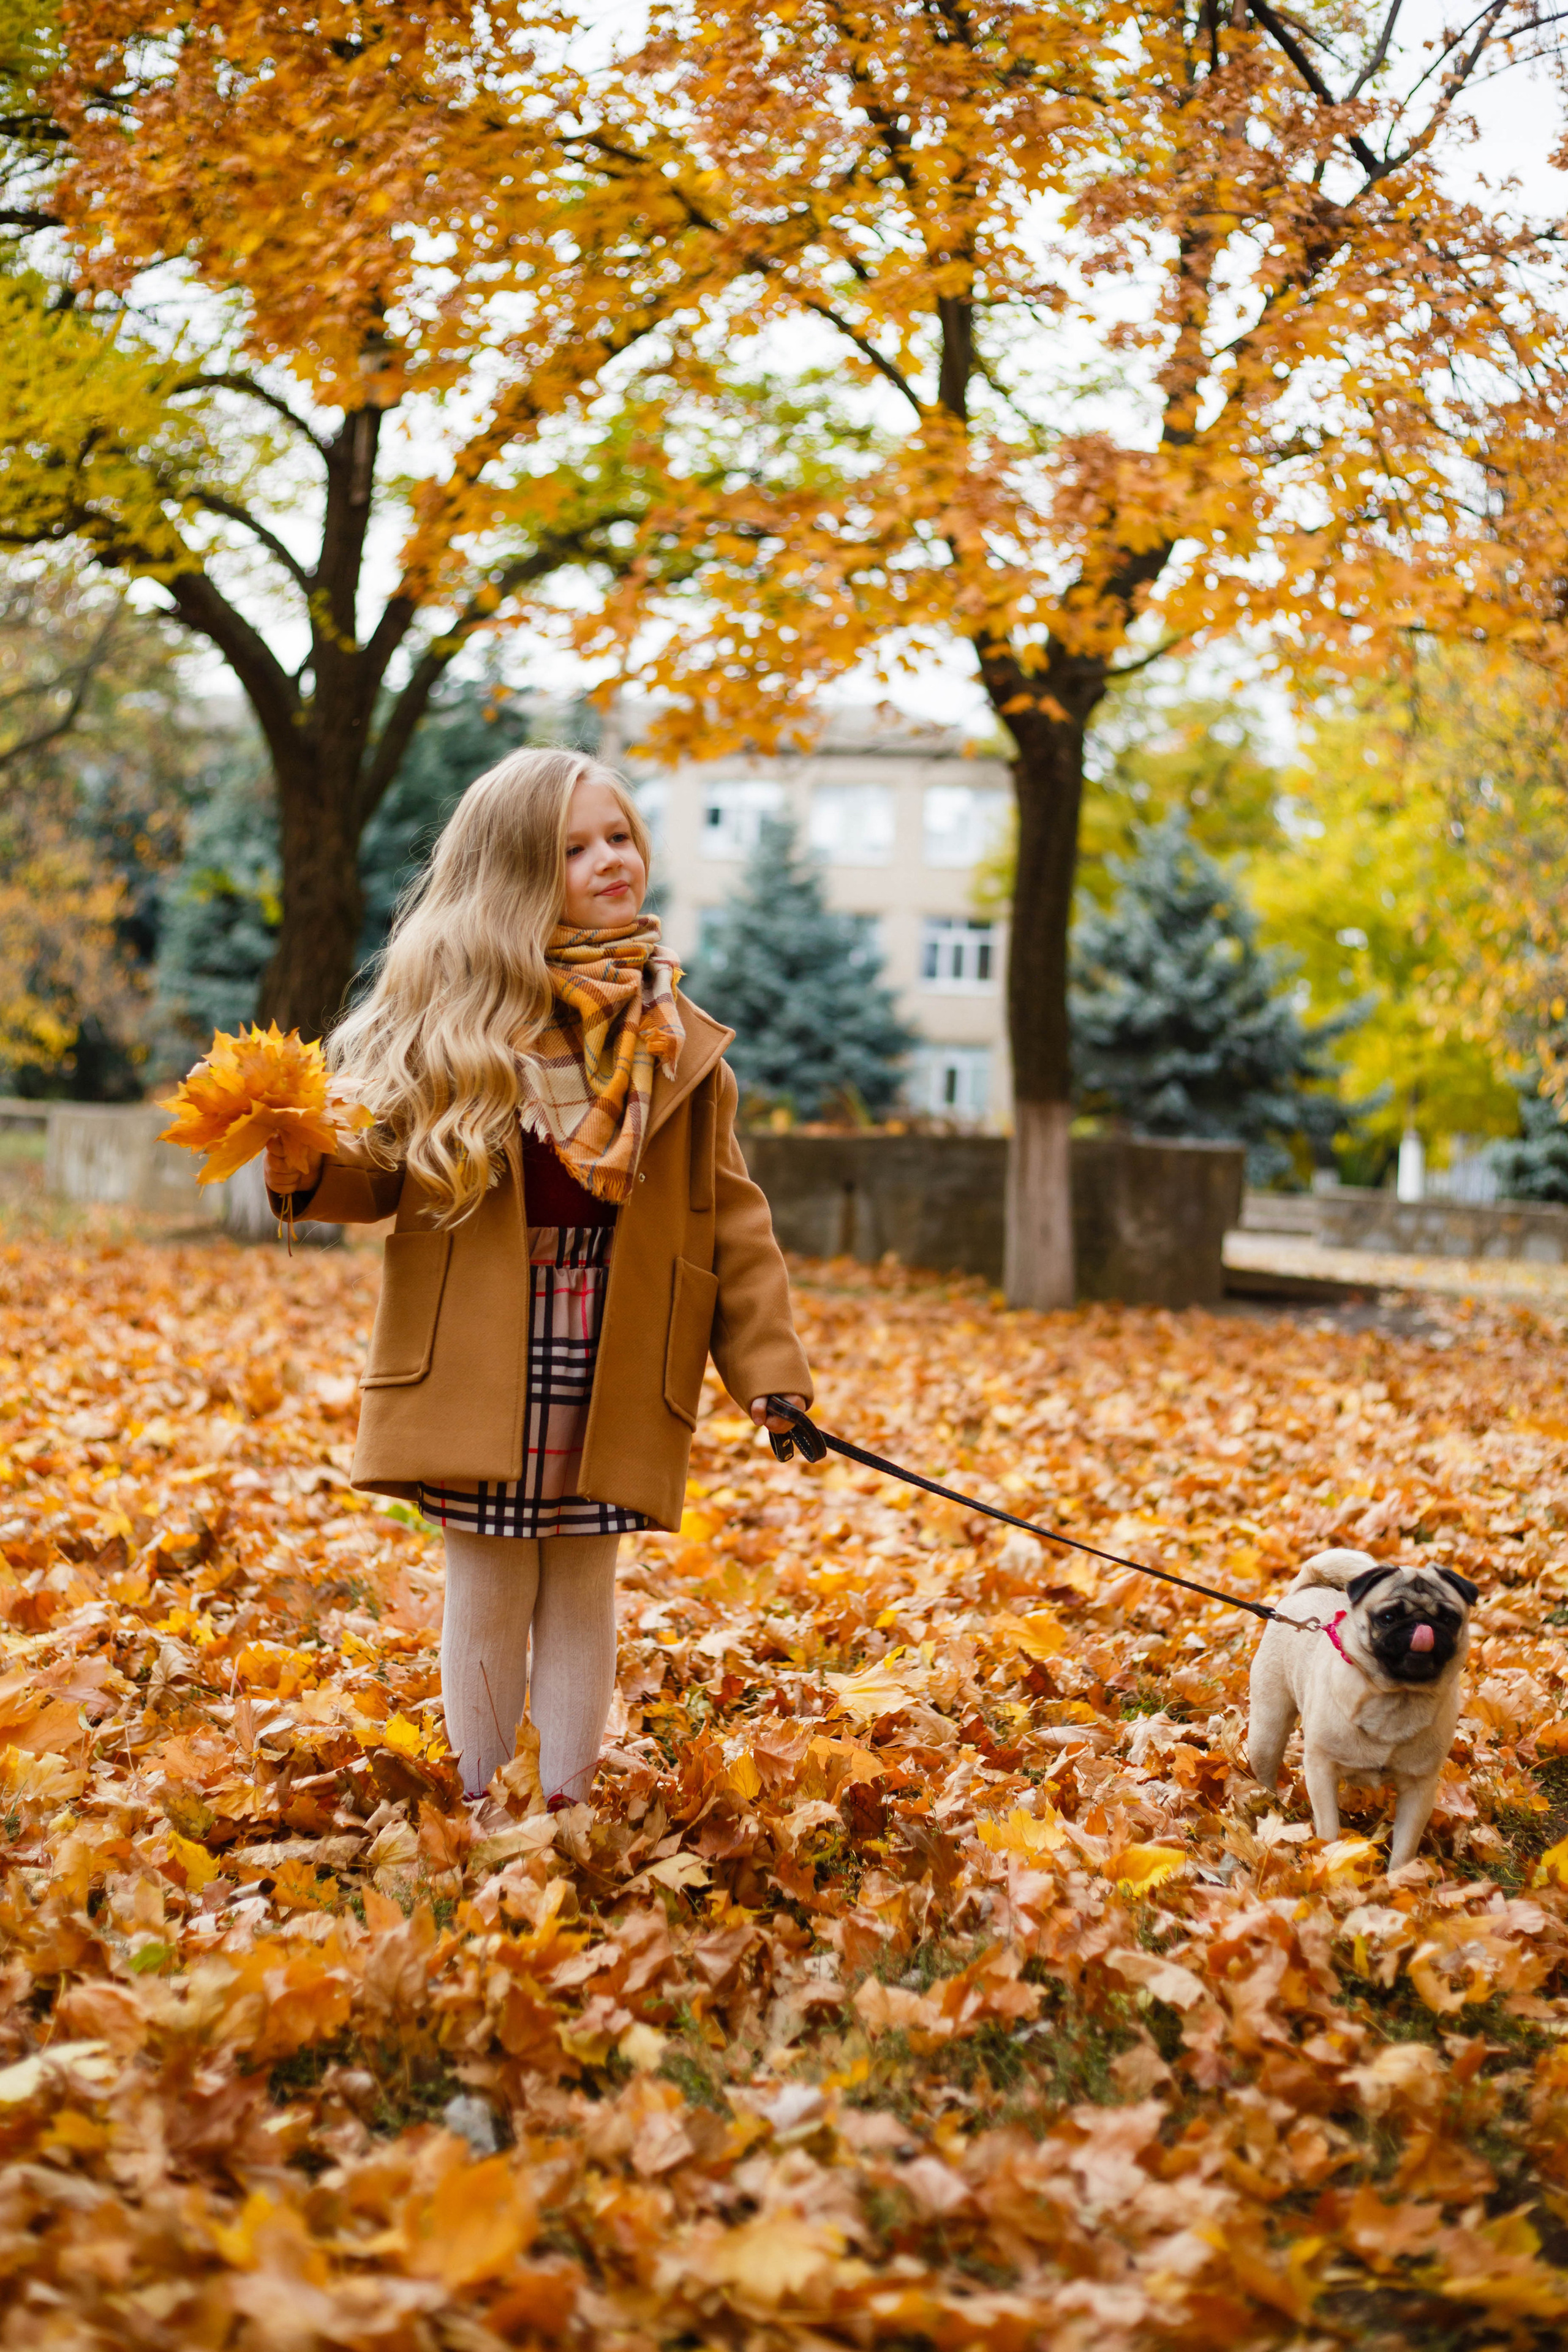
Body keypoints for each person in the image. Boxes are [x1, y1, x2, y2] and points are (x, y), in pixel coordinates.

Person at [265, 747, 811, 1808]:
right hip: (486, 1340)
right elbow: (379, 1171)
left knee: (584, 1576)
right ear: (512, 874)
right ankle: (482, 1806)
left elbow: (734, 1221)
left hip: (620, 1337)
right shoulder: (460, 1023)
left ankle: (564, 1806)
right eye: (573, 849)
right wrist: (307, 1169)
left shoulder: (672, 1037)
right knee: (490, 1571)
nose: (610, 860)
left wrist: (769, 1373)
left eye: (619, 836)